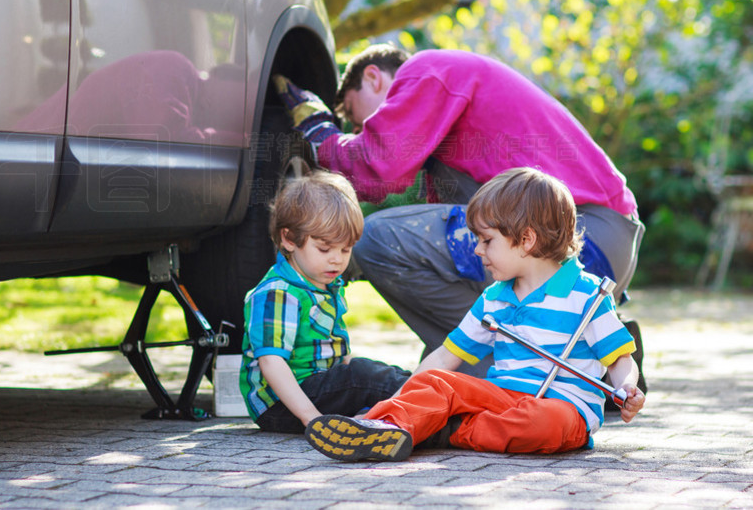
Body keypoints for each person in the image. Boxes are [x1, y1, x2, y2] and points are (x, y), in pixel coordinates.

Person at [274, 45, 645, 378]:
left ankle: (512, 372)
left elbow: (379, 163)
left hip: (584, 236)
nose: (360, 131)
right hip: (601, 243)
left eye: (357, 121)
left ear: (373, 78)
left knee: (376, 240)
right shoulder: (455, 119)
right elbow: (389, 188)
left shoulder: (428, 70)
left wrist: (320, 133)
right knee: (439, 352)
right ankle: (578, 359)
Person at [303, 167, 646, 462]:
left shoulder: (586, 294)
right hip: (500, 399)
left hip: (563, 409)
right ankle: (383, 426)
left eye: (486, 240)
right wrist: (401, 399)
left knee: (544, 423)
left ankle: (439, 431)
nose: (477, 249)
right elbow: (445, 358)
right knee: (437, 383)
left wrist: (627, 388)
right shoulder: (494, 298)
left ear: (526, 240)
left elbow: (619, 359)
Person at [241, 170, 412, 433]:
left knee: (375, 374)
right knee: (364, 378)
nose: (337, 259)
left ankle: (421, 401)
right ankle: (430, 413)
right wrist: (311, 418)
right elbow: (270, 362)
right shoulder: (278, 292)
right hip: (281, 405)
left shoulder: (324, 286)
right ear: (289, 239)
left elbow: (338, 354)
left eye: (345, 249)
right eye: (324, 249)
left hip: (316, 391)